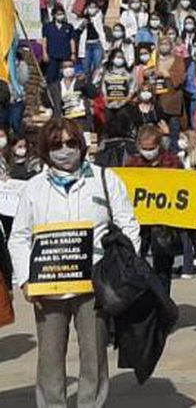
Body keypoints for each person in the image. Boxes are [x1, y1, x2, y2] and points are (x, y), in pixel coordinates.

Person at [8, 117, 141, 408]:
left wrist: (121, 272)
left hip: (93, 283)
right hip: (48, 285)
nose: (64, 150)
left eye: (70, 143)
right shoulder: (34, 188)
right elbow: (18, 237)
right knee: (49, 357)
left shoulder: (105, 179)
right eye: (56, 144)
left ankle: (90, 404)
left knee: (94, 354)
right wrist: (25, 281)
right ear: (46, 149)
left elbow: (129, 225)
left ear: (81, 145)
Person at [122, 124, 186, 295]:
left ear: (159, 145)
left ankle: (163, 303)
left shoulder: (172, 162)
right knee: (135, 262)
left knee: (163, 267)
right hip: (139, 223)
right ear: (138, 146)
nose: (148, 152)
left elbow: (184, 187)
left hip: (164, 223)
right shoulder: (131, 164)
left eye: (151, 148)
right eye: (144, 148)